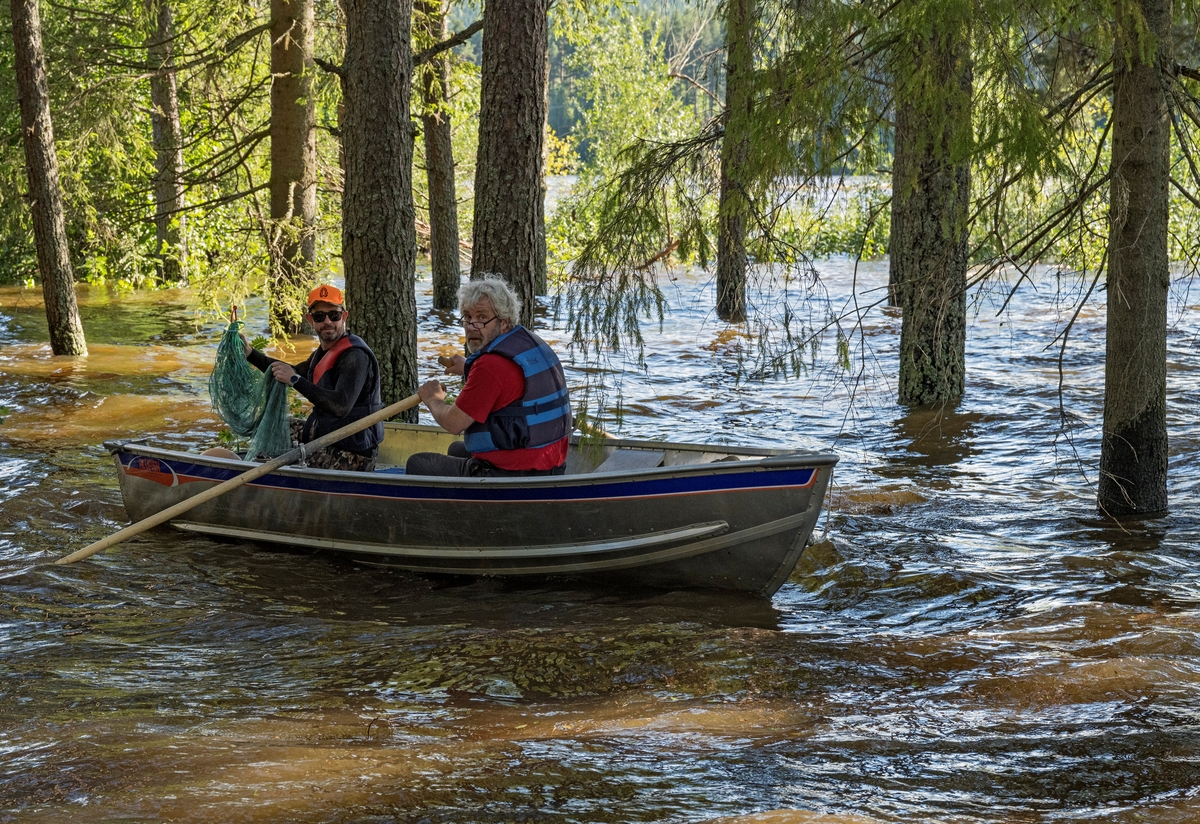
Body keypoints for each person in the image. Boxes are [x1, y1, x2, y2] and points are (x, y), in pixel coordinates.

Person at [406, 276, 571, 477]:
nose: (472, 326)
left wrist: (432, 399)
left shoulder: (490, 367)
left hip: (517, 473)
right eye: (467, 317)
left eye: (482, 317)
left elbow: (453, 423)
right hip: (550, 464)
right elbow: (507, 382)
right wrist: (468, 366)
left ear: (504, 322)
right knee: (457, 450)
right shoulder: (527, 342)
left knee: (417, 463)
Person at [243, 284, 384, 472]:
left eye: (334, 315)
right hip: (325, 437)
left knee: (272, 453)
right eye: (319, 316)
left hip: (352, 455)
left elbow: (340, 406)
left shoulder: (355, 357)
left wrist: (295, 381)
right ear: (310, 320)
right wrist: (250, 353)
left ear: (344, 317)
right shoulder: (323, 354)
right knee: (272, 426)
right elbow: (289, 370)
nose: (327, 321)